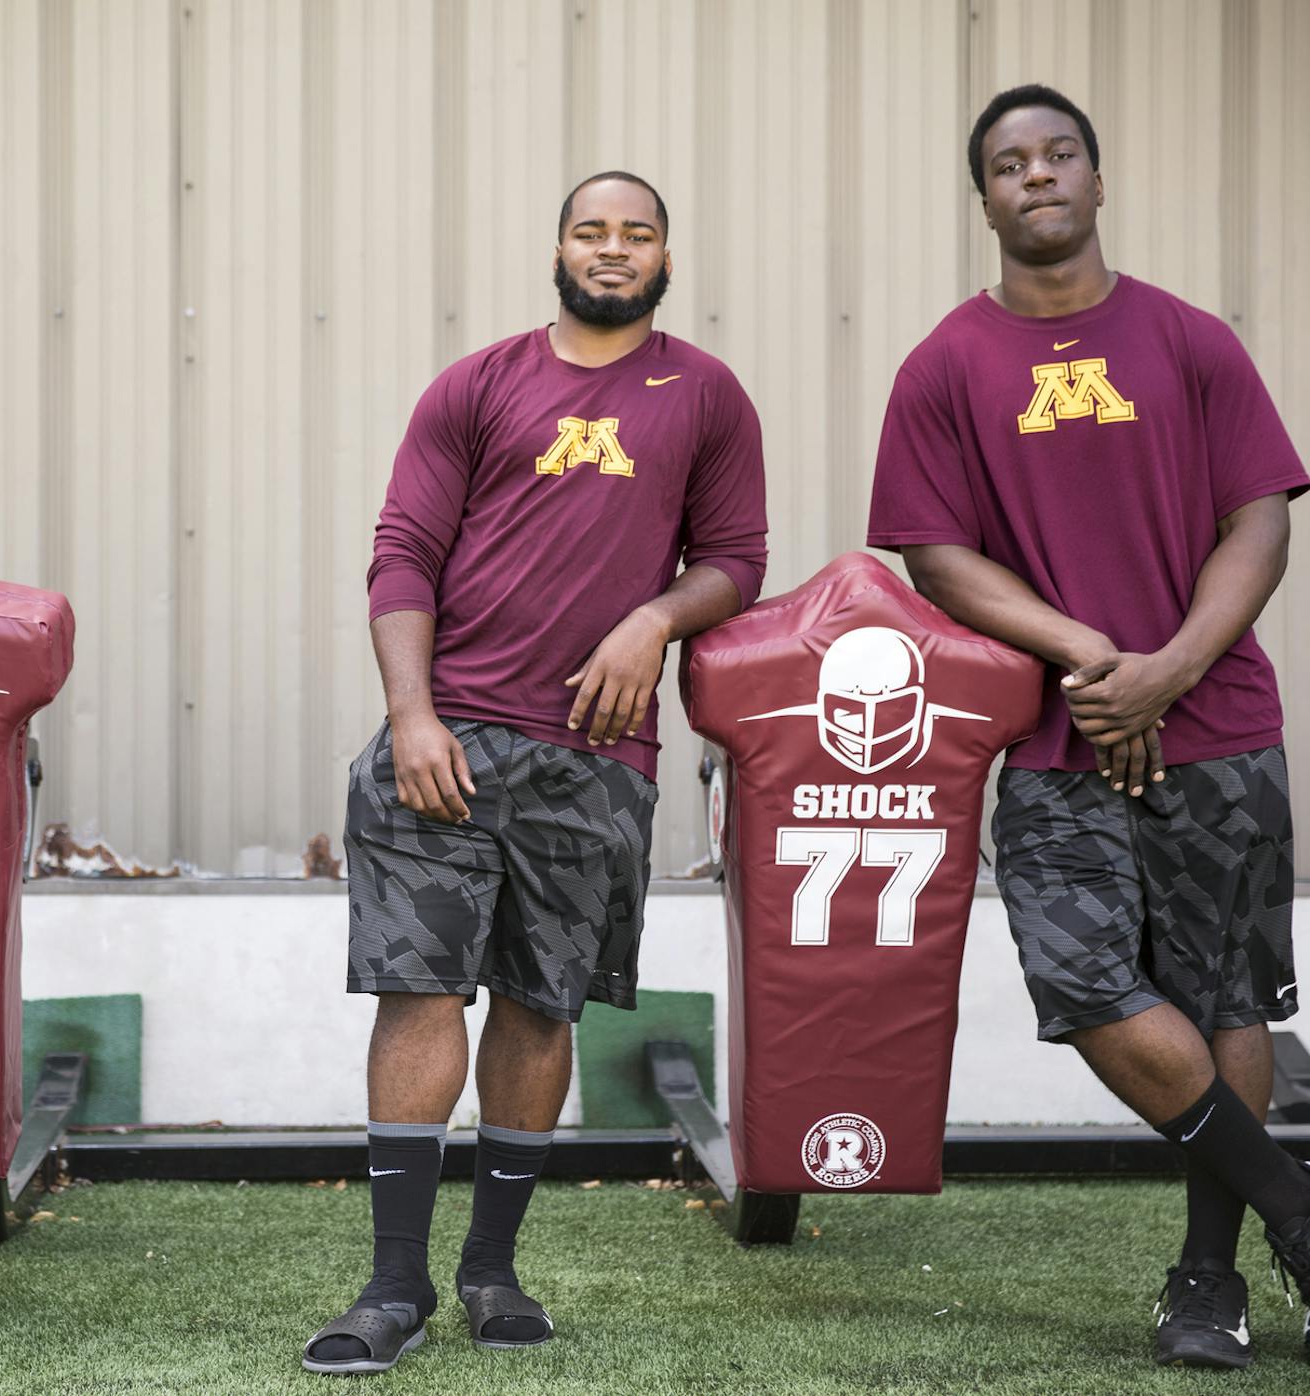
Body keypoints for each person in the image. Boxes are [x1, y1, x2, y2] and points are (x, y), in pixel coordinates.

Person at [867, 85, 1310, 1373]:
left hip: (1215, 726)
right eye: (1008, 163)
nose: (1036, 176)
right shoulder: (946, 364)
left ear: (1098, 183)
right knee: (1091, 989)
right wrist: (1095, 659)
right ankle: (1308, 1205)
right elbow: (935, 553)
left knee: (1223, 997)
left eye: (1059, 156)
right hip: (1052, 744)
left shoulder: (1189, 342)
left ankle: (1211, 1281)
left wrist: (1171, 668)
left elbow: (1257, 518)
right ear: (982, 197)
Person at [303, 172, 770, 1374]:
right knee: (419, 992)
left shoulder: (707, 396)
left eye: (638, 233)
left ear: (667, 254)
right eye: (590, 231)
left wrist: (654, 620)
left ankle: (492, 1269)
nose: (612, 250)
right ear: (557, 246)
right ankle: (395, 1283)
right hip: (447, 741)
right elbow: (402, 552)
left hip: (595, 759)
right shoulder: (478, 385)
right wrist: (410, 712)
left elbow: (735, 558)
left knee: (539, 1003)